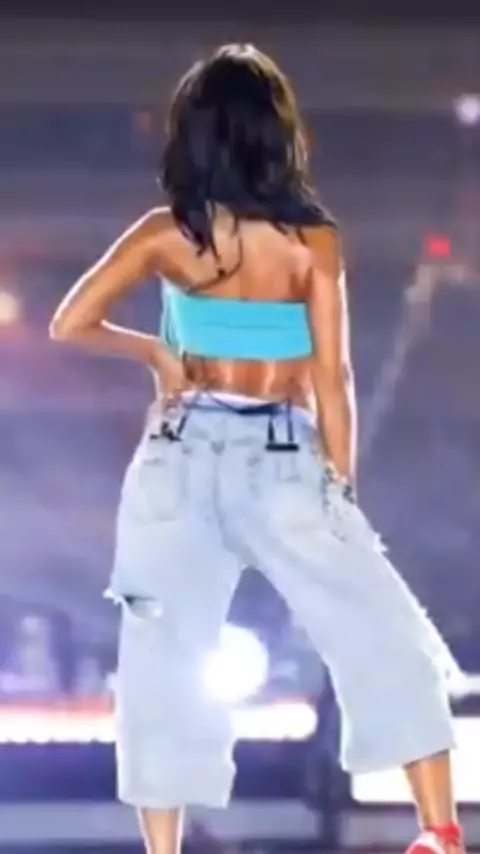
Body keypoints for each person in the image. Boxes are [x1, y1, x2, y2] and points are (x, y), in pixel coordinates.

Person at [50, 43, 464, 854]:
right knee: (381, 629)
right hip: (281, 453)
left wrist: (158, 353)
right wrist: (340, 491)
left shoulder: (166, 234)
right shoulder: (311, 241)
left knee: (163, 660)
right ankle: (440, 832)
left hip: (179, 455)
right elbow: (334, 378)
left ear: (195, 134)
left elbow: (71, 322)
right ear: (277, 134)